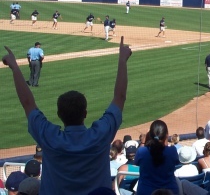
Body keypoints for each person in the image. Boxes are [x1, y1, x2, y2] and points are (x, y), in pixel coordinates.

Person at [1, 36, 132, 194]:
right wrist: (122, 60)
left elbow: (27, 103)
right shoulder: (100, 135)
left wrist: (15, 67)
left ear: (59, 114)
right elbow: (120, 97)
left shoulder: (49, 137)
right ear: (85, 113)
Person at [134, 120, 179, 195]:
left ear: (149, 136)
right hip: (170, 191)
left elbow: (137, 163)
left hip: (145, 192)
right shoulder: (172, 151)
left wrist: (145, 140)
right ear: (166, 135)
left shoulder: (141, 151)